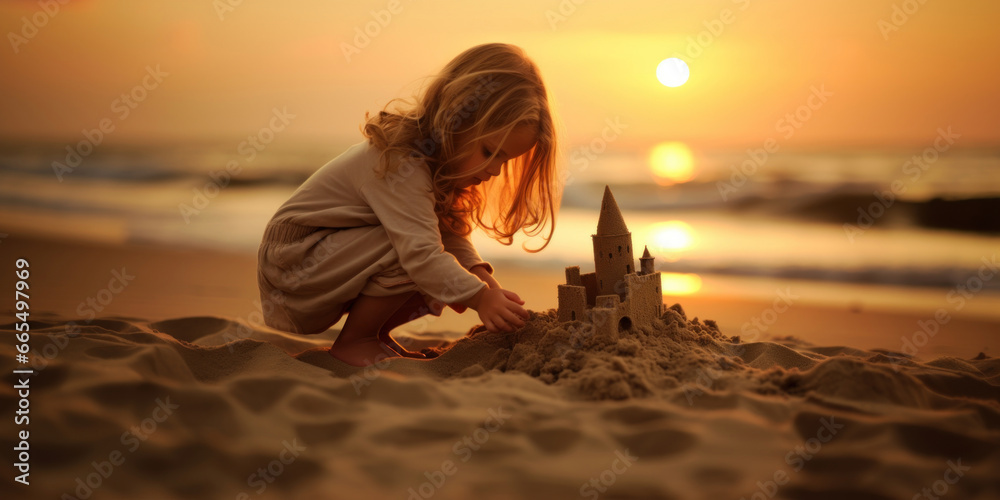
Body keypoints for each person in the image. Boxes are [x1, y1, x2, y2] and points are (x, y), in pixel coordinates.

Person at [256, 43, 560, 367]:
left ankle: (373, 335)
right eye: (489, 151)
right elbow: (422, 254)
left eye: (506, 159)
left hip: (324, 262)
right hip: (293, 265)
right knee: (421, 254)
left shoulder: (439, 166)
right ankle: (356, 340)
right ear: (456, 119)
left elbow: (453, 238)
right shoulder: (403, 163)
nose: (496, 170)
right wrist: (479, 297)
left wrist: (491, 290)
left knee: (438, 259)